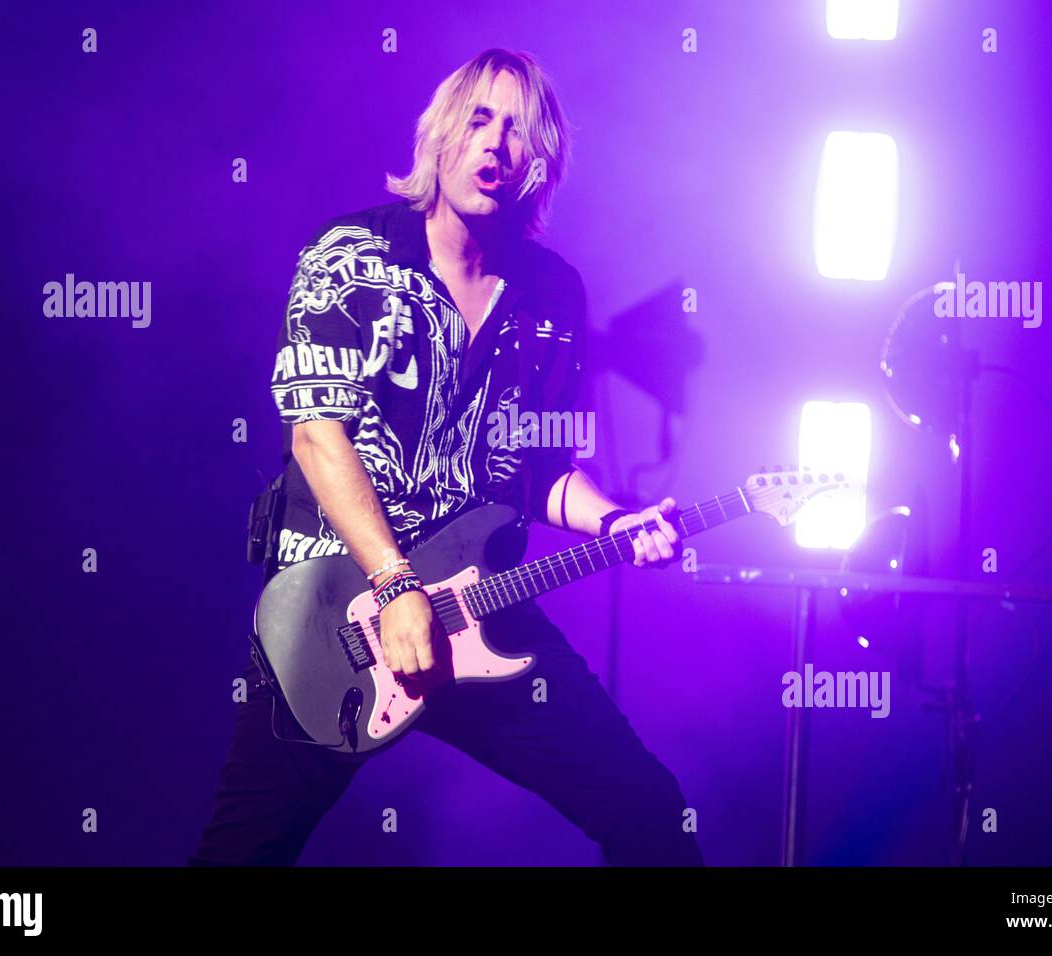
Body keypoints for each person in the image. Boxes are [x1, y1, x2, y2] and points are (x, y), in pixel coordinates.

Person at [189, 48, 703, 866]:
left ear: (541, 166)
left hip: (475, 605)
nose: (496, 146)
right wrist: (394, 585)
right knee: (243, 855)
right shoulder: (350, 254)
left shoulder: (552, 296)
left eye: (519, 133)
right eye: (479, 121)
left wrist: (616, 519)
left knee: (650, 814)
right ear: (441, 136)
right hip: (336, 610)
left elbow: (538, 468)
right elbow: (319, 434)